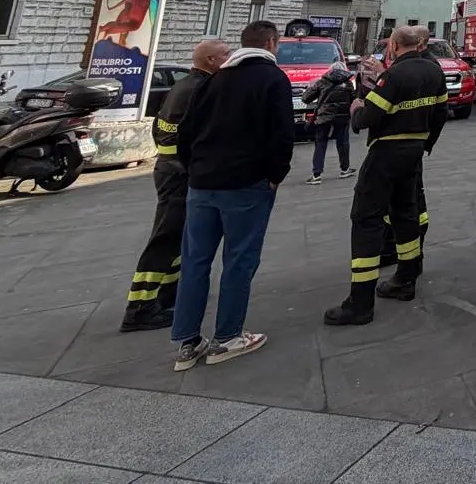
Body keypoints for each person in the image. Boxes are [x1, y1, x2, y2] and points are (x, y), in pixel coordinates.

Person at [169, 20, 294, 371]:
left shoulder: (214, 80)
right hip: (245, 183)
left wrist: (195, 169)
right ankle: (227, 337)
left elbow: (185, 133)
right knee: (239, 260)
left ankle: (188, 341)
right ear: (271, 43)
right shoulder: (273, 79)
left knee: (195, 261)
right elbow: (282, 134)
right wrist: (275, 176)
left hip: (202, 184)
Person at [324, 25, 446, 326]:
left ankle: (360, 303)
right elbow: (440, 114)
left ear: (393, 45)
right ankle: (406, 278)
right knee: (405, 214)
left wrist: (356, 109)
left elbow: (368, 117)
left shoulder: (394, 75)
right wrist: (425, 144)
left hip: (386, 153)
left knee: (366, 219)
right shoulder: (434, 72)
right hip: (414, 151)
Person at [121, 38, 229, 333]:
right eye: (225, 54)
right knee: (166, 237)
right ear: (210, 60)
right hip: (179, 174)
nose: (229, 57)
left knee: (179, 235)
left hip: (171, 170)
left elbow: (161, 128)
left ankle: (168, 293)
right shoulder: (201, 88)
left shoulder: (184, 85)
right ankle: (139, 307)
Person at [302, 63, 355, 183]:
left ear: (330, 71)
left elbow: (306, 98)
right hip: (342, 117)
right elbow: (353, 99)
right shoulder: (348, 83)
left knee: (320, 144)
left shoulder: (322, 82)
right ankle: (345, 169)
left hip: (324, 117)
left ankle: (317, 174)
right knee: (343, 143)